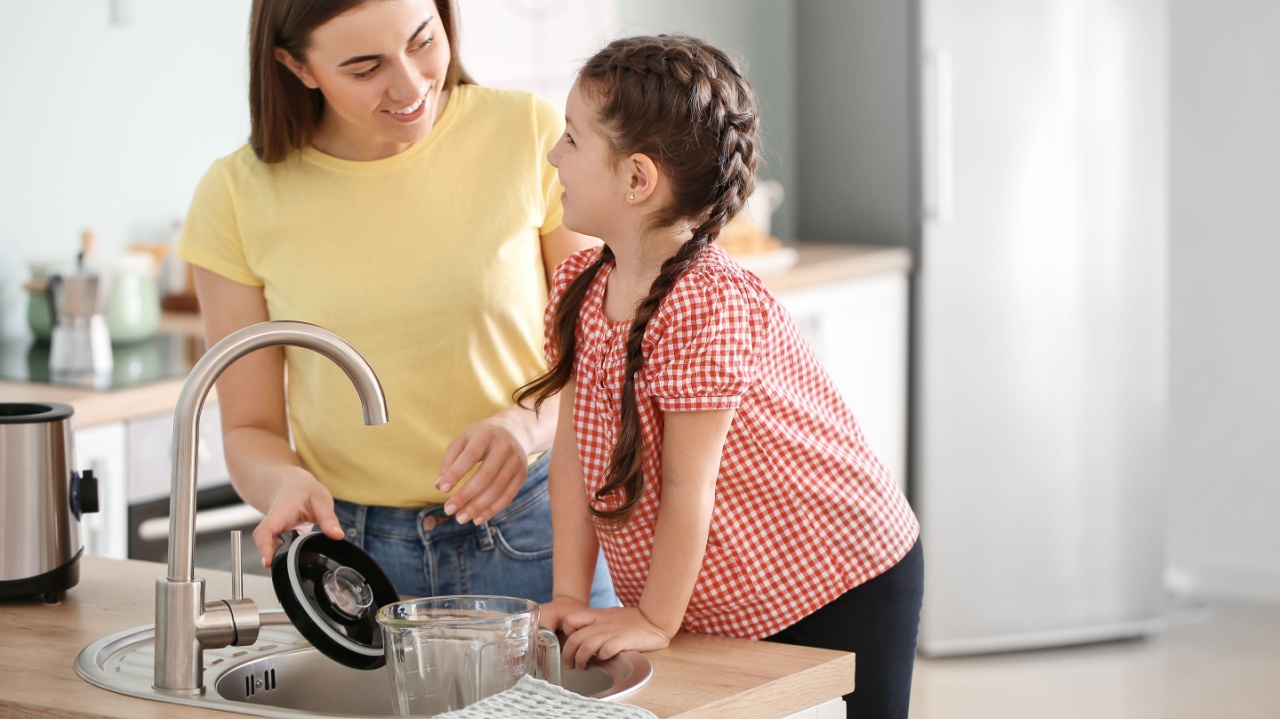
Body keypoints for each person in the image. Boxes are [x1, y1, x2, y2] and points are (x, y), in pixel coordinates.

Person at [517, 34, 923, 718]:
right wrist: (568, 596)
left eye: (572, 140)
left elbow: (687, 484)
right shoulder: (582, 286)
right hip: (730, 590)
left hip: (843, 574)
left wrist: (654, 619)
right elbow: (571, 457)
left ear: (637, 179)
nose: (554, 154)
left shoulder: (706, 304)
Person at [178, 0, 617, 607]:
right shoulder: (236, 195)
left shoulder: (529, 136)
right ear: (296, 66)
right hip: (352, 556)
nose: (410, 86)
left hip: (537, 530)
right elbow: (250, 428)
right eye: (364, 68)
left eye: (422, 41)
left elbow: (602, 359)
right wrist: (285, 481)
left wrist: (523, 424)